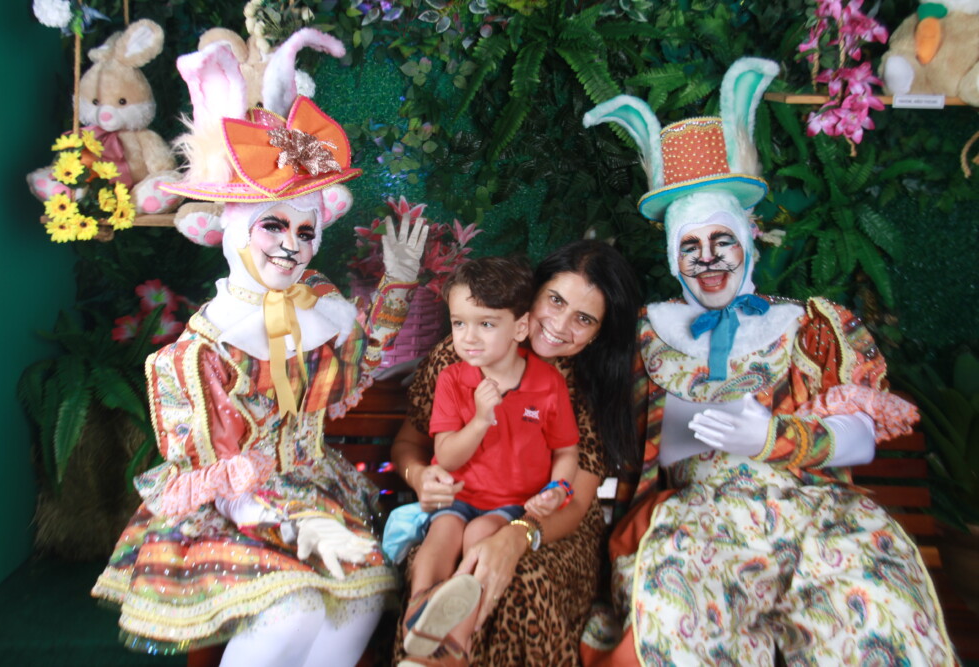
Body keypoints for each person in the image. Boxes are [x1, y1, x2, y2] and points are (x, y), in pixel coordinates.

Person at [579, 57, 955, 665]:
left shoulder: (811, 326)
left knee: (878, 604)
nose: (708, 259)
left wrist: (773, 437)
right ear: (674, 259)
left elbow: (862, 438)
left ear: (748, 240)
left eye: (721, 240)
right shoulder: (649, 333)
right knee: (674, 614)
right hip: (702, 524)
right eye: (690, 246)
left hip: (815, 519)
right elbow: (587, 393)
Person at [91, 32, 430, 667]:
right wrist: (293, 526)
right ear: (235, 231)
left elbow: (357, 366)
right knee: (292, 609)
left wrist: (398, 284)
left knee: (361, 599)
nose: (291, 245)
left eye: (306, 229)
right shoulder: (203, 350)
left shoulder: (318, 306)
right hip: (231, 513)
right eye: (273, 225)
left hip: (313, 488)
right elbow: (214, 477)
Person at [391, 239, 642, 665]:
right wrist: (419, 477)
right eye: (555, 300)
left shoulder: (589, 385)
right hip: (464, 502)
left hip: (554, 519)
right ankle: (423, 648)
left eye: (583, 319)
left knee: (515, 578)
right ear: (532, 296)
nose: (559, 324)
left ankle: (453, 652)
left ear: (600, 332)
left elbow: (575, 497)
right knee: (439, 556)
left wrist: (518, 535)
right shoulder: (468, 350)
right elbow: (409, 444)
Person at [398, 257, 581, 664]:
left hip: (512, 503)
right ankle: (418, 620)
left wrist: (559, 488)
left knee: (480, 534)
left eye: (486, 324)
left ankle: (454, 644)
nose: (469, 338)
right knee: (442, 533)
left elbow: (567, 450)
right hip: (461, 495)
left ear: (520, 327)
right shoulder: (453, 379)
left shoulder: (547, 384)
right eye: (459, 323)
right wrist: (480, 420)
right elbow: (446, 457)